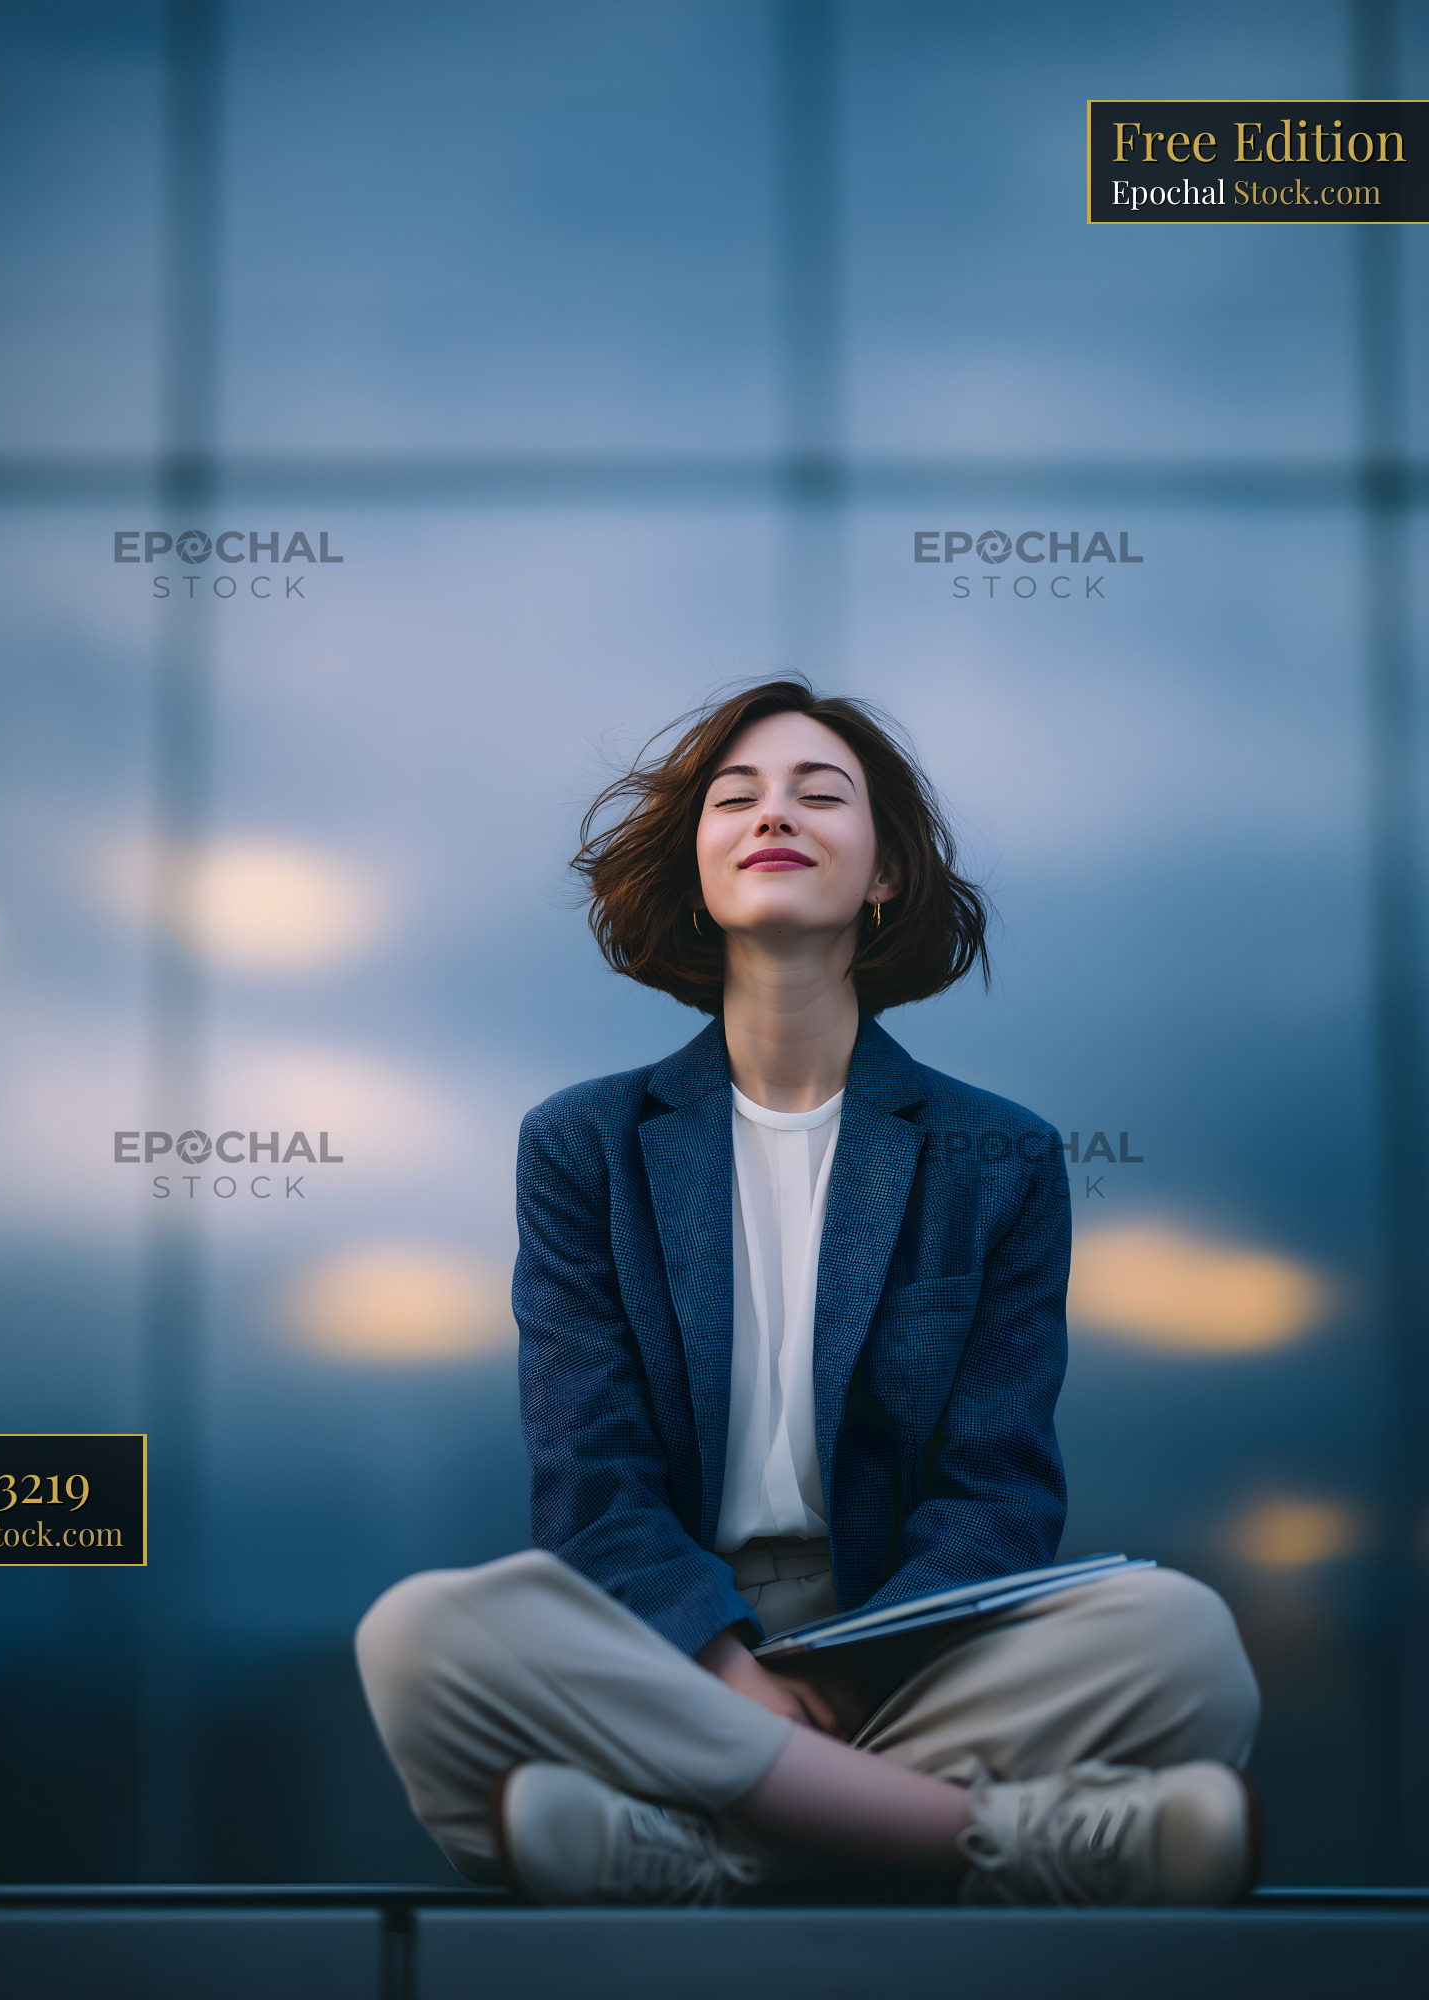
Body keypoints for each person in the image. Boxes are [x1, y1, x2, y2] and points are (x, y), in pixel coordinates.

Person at [355, 680, 1261, 1906]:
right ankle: (1001, 1842)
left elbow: (997, 1487)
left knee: (1182, 1641)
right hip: (666, 1643)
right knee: (424, 1635)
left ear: (882, 872)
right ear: (697, 868)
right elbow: (590, 1474)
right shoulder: (583, 1143)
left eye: (817, 793)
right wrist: (726, 1668)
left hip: (901, 1655)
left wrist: (847, 1671)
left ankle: (700, 1850)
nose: (772, 811)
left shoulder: (997, 1154)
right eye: (736, 797)